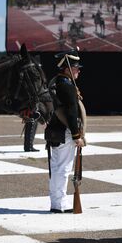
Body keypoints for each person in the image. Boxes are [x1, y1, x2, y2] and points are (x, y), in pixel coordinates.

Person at [44, 50, 86, 213]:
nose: (78, 70)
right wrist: (77, 136)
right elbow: (71, 112)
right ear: (68, 69)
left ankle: (56, 202)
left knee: (57, 168)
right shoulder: (66, 86)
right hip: (66, 131)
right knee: (63, 169)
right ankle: (60, 203)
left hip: (56, 131)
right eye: (76, 68)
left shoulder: (56, 82)